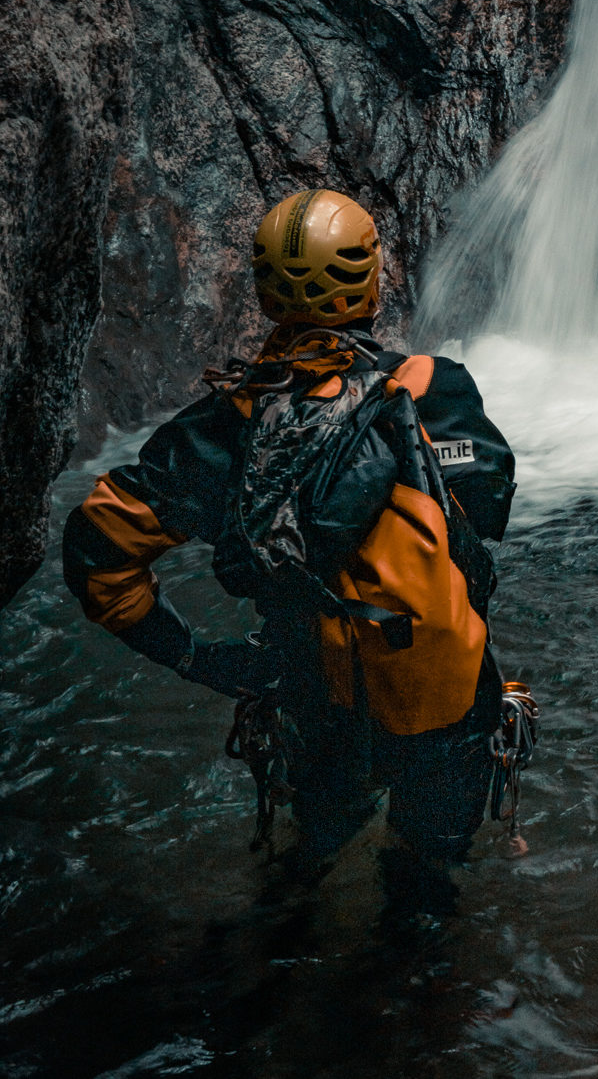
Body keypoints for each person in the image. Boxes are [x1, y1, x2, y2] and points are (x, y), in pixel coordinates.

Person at [62, 189, 516, 904]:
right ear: (370, 278)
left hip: (310, 704)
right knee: (425, 890)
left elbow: (98, 548)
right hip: (446, 706)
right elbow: (488, 510)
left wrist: (194, 657)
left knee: (304, 874)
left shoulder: (226, 425)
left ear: (265, 289)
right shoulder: (433, 390)